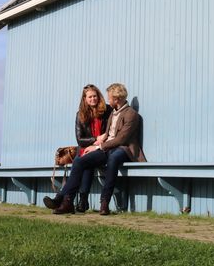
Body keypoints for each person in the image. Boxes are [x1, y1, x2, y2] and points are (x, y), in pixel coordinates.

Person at [46, 82, 146, 215]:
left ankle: (104, 202)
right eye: (90, 97)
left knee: (113, 158)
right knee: (80, 160)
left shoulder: (130, 114)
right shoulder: (112, 112)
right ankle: (66, 200)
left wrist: (98, 146)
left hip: (123, 148)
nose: (107, 100)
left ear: (117, 99)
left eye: (109, 97)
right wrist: (96, 143)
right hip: (106, 147)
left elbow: (121, 139)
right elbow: (105, 134)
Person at [46, 84, 111, 213]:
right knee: (84, 161)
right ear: (85, 99)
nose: (93, 99)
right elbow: (80, 140)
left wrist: (97, 144)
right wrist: (95, 139)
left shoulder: (107, 110)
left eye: (95, 96)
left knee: (79, 161)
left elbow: (110, 133)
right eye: (90, 97)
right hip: (87, 149)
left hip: (103, 150)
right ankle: (80, 202)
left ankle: (63, 198)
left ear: (99, 96)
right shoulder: (80, 114)